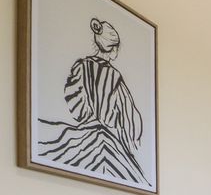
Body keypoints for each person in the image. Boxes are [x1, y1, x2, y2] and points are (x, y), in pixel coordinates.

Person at [38, 18, 148, 186]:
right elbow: (129, 118)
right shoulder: (114, 76)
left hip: (84, 129)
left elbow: (73, 98)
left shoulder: (80, 66)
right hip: (108, 134)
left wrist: (86, 118)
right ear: (114, 50)